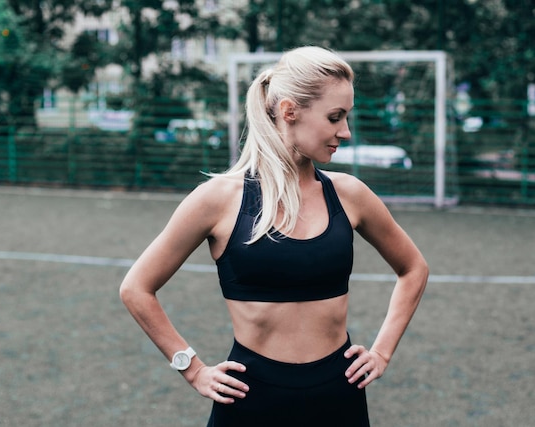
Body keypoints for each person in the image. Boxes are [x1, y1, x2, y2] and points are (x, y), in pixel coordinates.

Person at [119, 46, 429, 427]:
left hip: (338, 395)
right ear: (288, 111)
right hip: (251, 398)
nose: (345, 132)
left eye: (346, 117)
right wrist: (192, 367)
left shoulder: (350, 195)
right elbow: (136, 288)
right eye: (335, 117)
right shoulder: (219, 199)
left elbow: (413, 268)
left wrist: (381, 352)